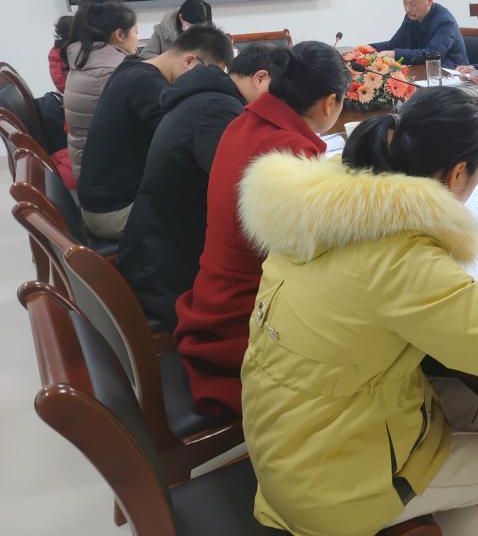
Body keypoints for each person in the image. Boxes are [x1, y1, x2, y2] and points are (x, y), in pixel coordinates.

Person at [237, 87, 478, 536]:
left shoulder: (320, 207)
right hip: (324, 489)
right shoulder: (398, 255)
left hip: (283, 436)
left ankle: (424, 509)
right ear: (458, 173)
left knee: (460, 398)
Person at [174, 41, 349, 418]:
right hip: (246, 319)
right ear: (329, 102)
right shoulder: (291, 150)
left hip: (213, 294)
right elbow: (313, 258)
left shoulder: (243, 121)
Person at [118, 45, 275, 331]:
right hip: (169, 273)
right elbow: (238, 191)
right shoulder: (219, 110)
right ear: (260, 78)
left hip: (155, 247)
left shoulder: (208, 97)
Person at [77, 26, 234, 239]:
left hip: (99, 201)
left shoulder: (132, 67)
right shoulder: (150, 87)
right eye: (209, 75)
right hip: (115, 212)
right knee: (216, 211)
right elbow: (184, 145)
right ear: (190, 61)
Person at [63, 0, 137, 177]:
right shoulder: (110, 72)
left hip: (90, 166)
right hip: (107, 177)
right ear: (119, 34)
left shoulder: (83, 59)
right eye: (136, 31)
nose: (138, 37)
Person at [366, 0, 468, 68]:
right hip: (423, 72)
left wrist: (395, 55)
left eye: (413, 4)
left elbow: (432, 54)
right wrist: (369, 49)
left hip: (453, 74)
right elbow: (394, 44)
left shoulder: (445, 21)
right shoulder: (411, 16)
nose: (407, 9)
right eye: (405, 3)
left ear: (429, 0)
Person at [140, 0, 213, 58]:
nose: (197, 32)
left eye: (200, 28)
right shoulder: (162, 31)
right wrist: (171, 63)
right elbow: (145, 55)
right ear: (181, 18)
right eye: (193, 26)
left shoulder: (209, 33)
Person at [48, 15, 73, 93]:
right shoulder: (56, 52)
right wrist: (69, 91)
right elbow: (58, 79)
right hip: (68, 91)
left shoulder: (79, 46)